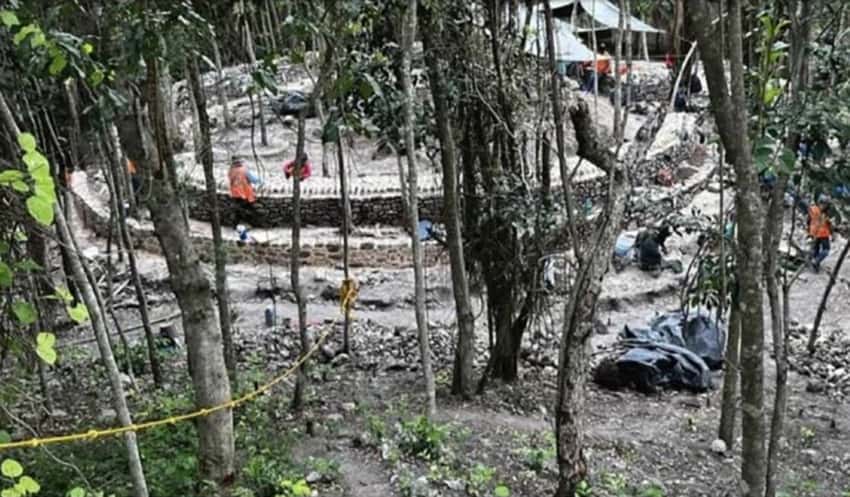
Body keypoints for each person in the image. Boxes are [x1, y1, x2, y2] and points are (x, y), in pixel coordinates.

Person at [228, 157, 262, 224]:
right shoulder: (244, 170)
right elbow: (254, 179)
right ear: (240, 162)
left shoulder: (231, 170)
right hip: (244, 193)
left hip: (234, 193)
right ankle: (249, 223)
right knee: (248, 209)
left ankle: (235, 224)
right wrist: (261, 181)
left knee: (237, 210)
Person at [805, 194, 833, 272]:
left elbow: (808, 221)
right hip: (823, 233)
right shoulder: (824, 213)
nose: (824, 206)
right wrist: (832, 231)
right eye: (824, 204)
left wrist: (809, 232)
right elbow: (829, 224)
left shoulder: (812, 210)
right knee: (826, 250)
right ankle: (816, 262)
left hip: (814, 233)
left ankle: (815, 266)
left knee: (816, 250)